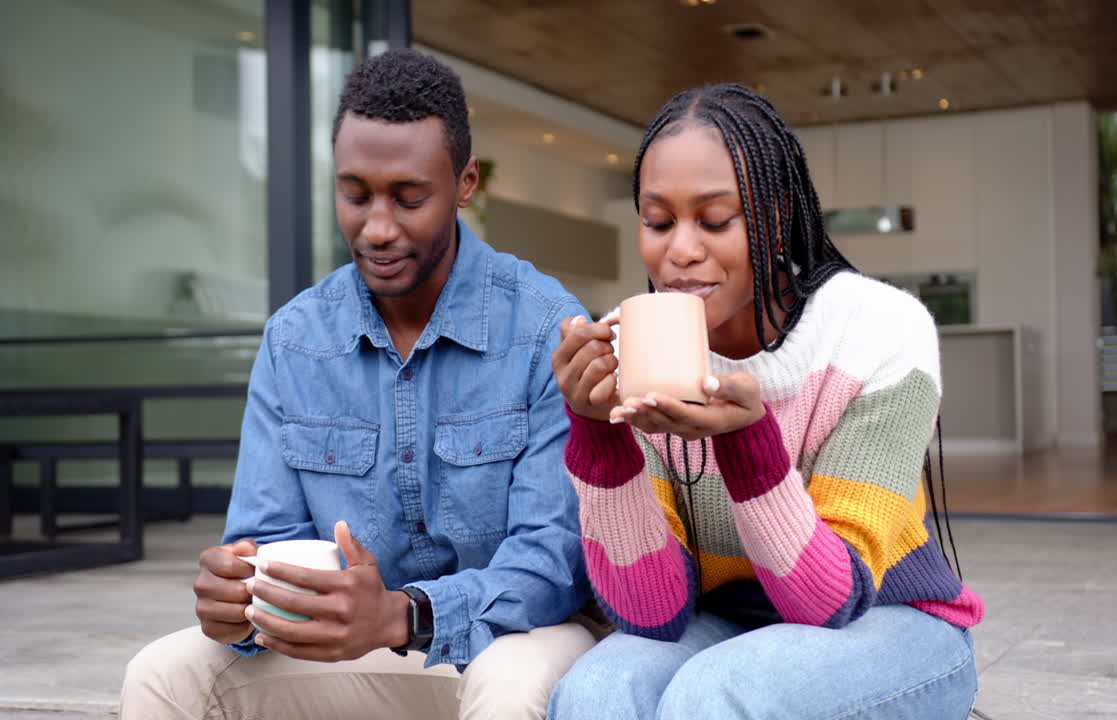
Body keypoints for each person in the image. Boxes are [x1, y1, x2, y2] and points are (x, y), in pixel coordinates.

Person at [121, 49, 597, 720]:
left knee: (509, 684)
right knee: (165, 676)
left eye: (408, 198)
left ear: (465, 184)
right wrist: (238, 602)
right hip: (363, 649)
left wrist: (403, 614)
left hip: (515, 639)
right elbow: (266, 542)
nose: (377, 228)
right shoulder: (295, 341)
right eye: (355, 193)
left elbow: (553, 565)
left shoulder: (548, 328)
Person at [548, 83, 985, 719]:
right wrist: (599, 436)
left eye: (716, 220)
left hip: (892, 622)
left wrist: (746, 444)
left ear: (776, 217)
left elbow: (827, 602)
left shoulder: (879, 333)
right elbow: (652, 613)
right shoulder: (633, 346)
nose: (681, 251)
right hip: (726, 622)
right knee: (596, 693)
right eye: (658, 221)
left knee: (717, 694)